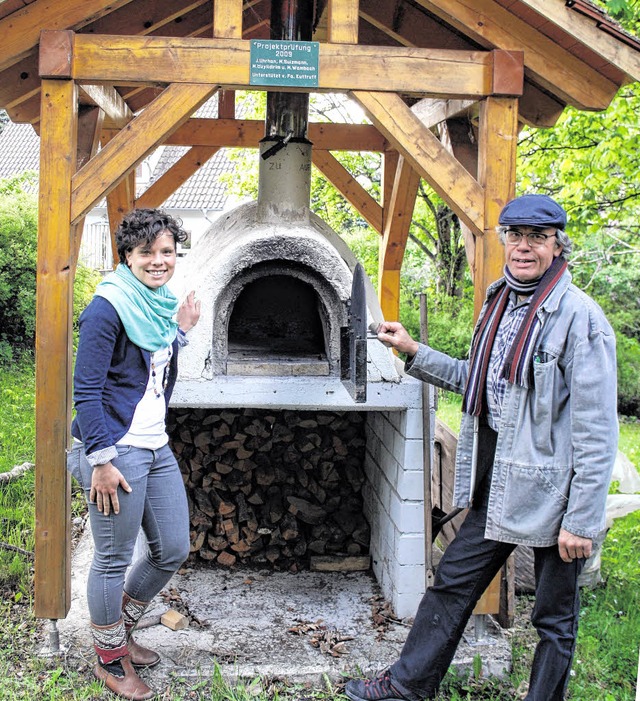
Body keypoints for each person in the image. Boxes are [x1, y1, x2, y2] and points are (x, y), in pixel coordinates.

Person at [345, 194, 618, 701]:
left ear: (558, 246)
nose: (523, 246)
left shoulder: (581, 319)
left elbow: (597, 430)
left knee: (554, 618)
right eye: (514, 235)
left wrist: (581, 519)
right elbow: (483, 384)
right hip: (499, 479)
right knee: (452, 584)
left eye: (537, 237)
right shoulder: (501, 301)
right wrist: (413, 350)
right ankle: (408, 687)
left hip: (554, 490)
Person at [67, 208, 201, 700]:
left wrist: (181, 331)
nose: (159, 261)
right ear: (127, 255)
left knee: (172, 548)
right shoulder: (108, 307)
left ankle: (118, 632)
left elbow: (150, 363)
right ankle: (109, 660)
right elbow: (86, 388)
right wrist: (100, 460)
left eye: (167, 251)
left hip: (154, 444)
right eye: (147, 252)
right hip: (116, 449)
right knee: (112, 558)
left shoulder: (159, 304)